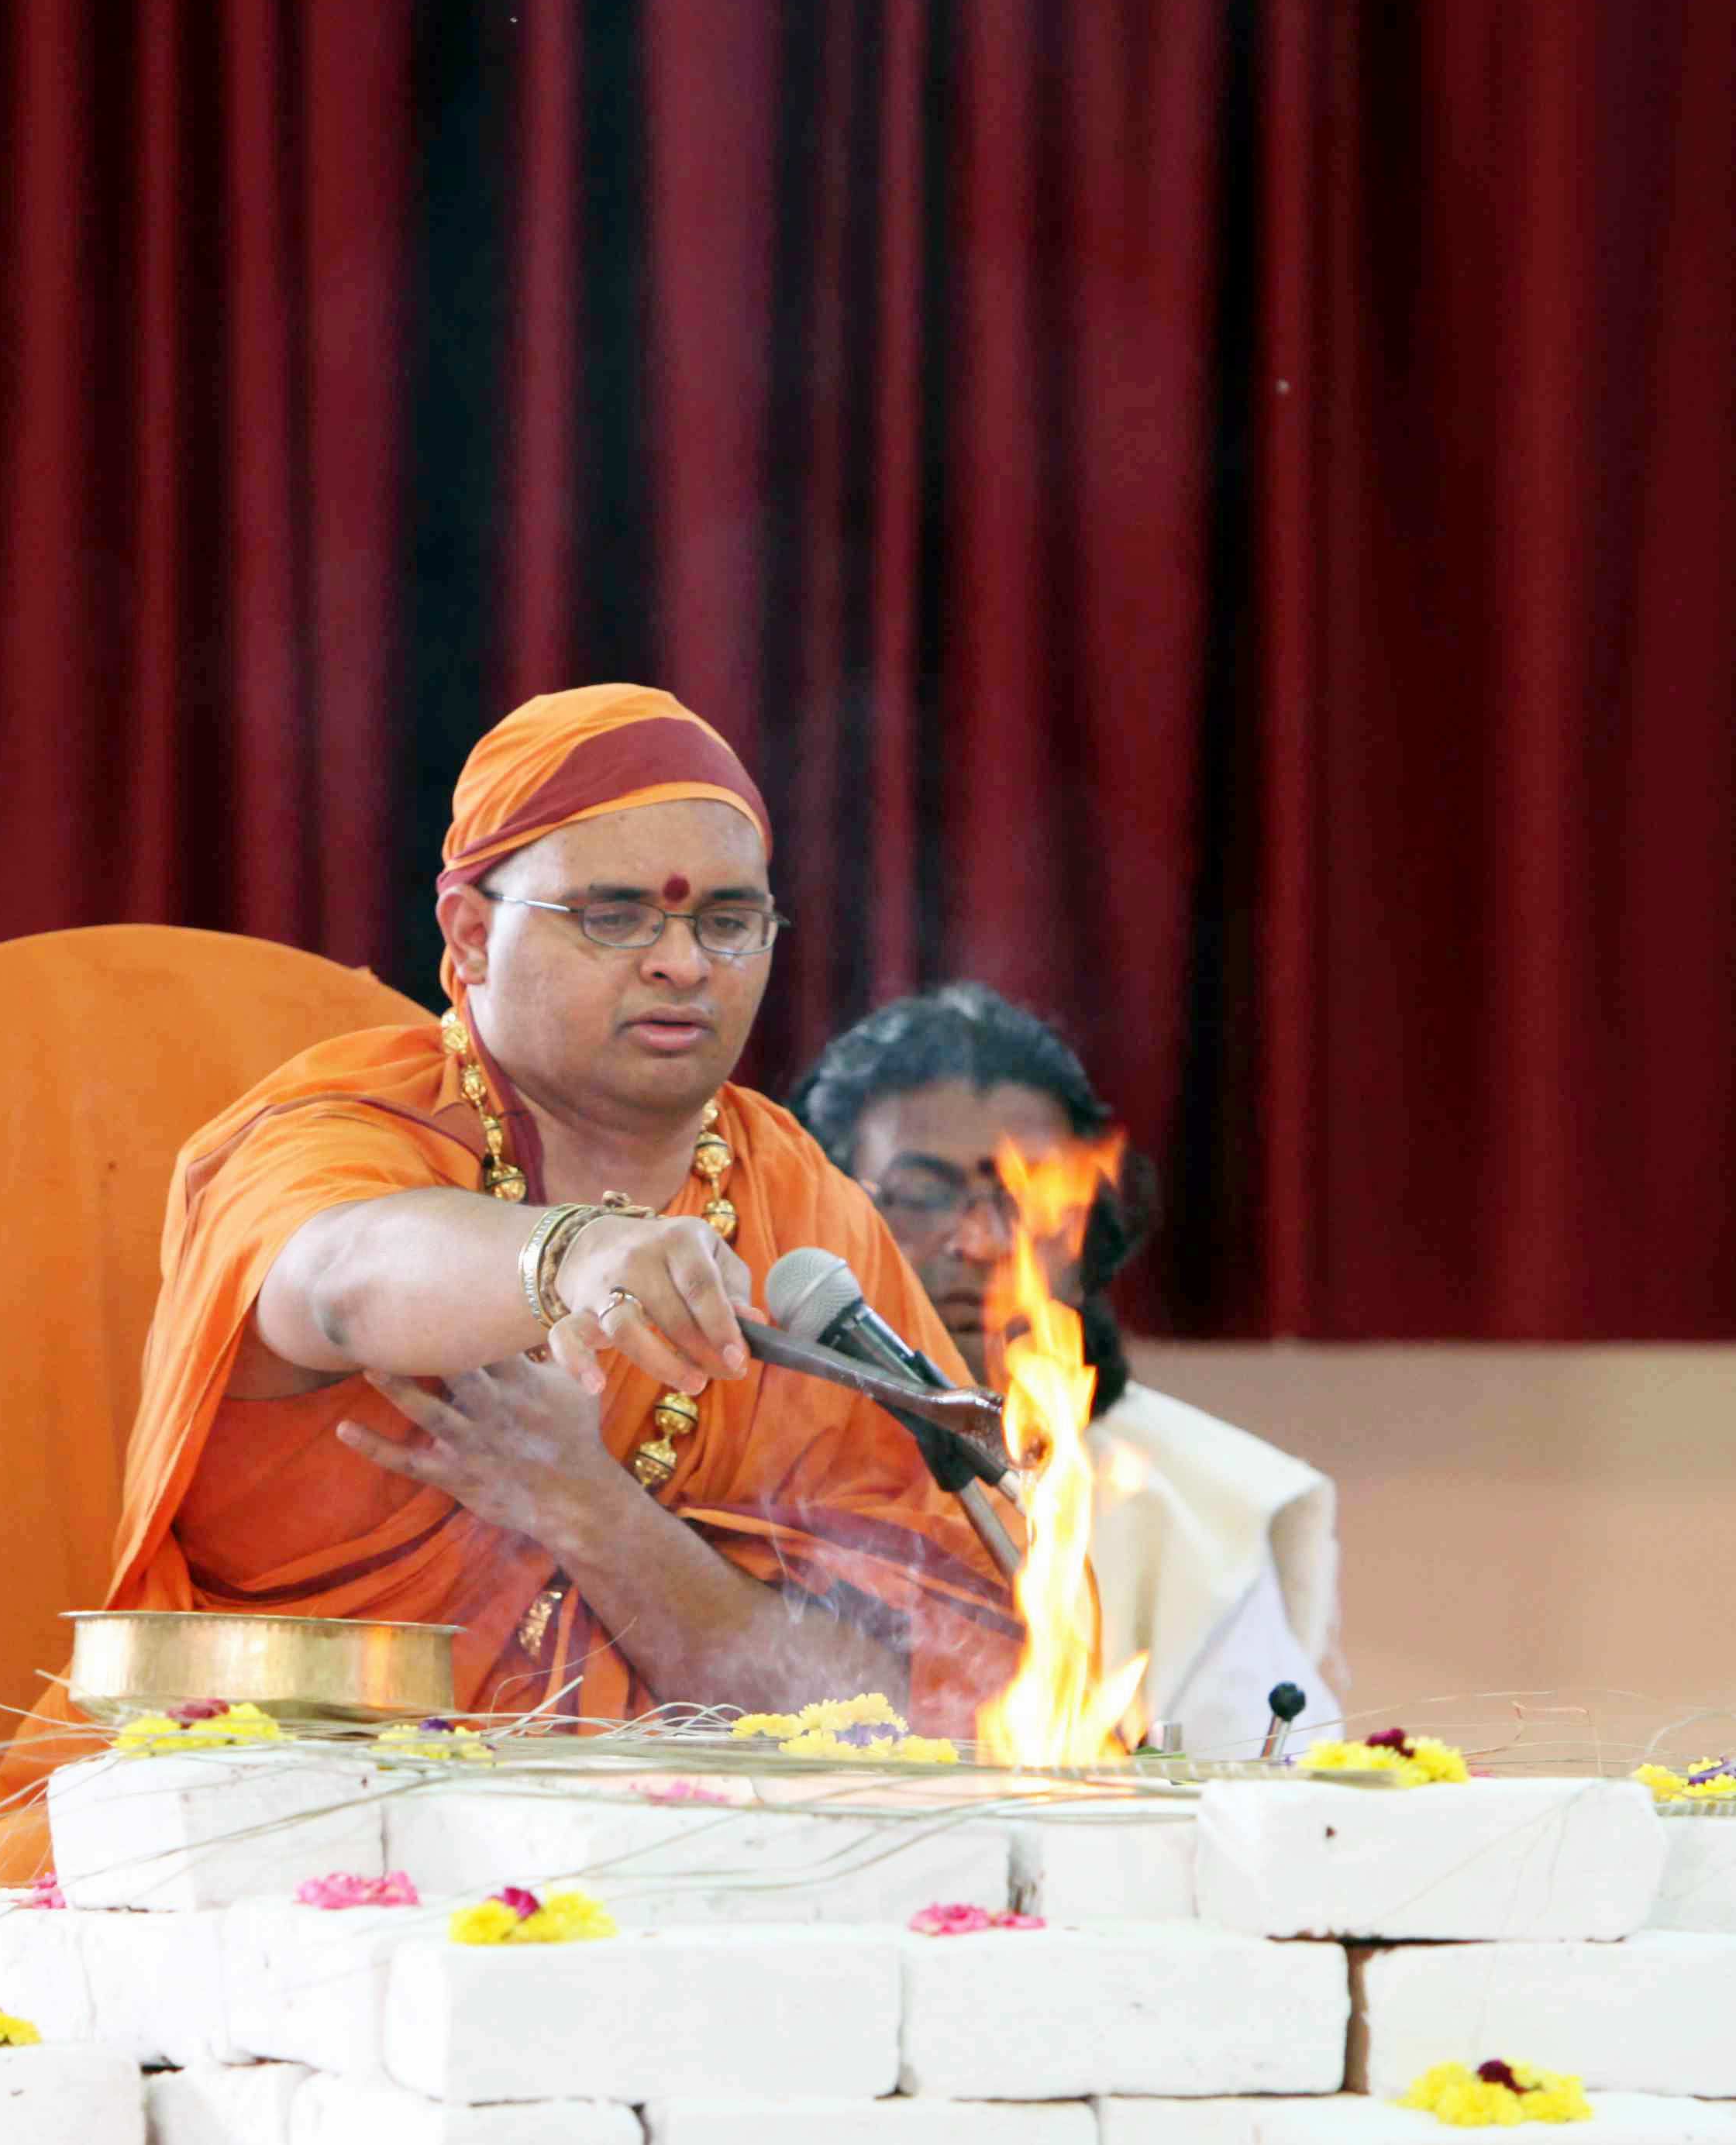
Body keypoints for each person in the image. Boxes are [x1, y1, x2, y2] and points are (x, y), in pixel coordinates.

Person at [67, 686, 1020, 1737]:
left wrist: (591, 1510)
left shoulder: (797, 1206)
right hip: (285, 1814)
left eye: (727, 922)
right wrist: (575, 1255)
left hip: (688, 1830)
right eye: (614, 916)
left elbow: (920, 1705)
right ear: (471, 936)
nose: (682, 962)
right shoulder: (349, 1125)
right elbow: (336, 1281)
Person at [794, 982, 1341, 1751]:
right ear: (822, 1214)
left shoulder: (1197, 1510)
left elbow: (1260, 1787)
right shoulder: (743, 1443)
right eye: (921, 1194)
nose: (980, 1243)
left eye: (1027, 1200)